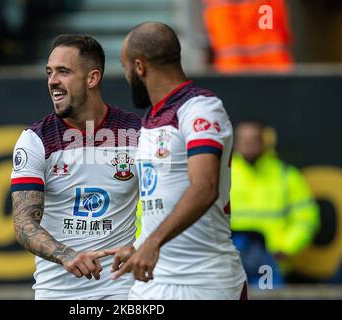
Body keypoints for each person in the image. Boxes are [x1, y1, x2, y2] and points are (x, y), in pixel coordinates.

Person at [104, 22, 247, 300]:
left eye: (125, 68)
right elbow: (162, 195)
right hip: (154, 278)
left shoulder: (200, 107)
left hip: (204, 282)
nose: (126, 77)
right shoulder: (151, 119)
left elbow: (205, 187)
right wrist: (141, 244)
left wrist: (153, 243)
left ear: (140, 67)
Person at [11, 34, 141, 300]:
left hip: (122, 289)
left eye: (63, 72)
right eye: (49, 72)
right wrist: (66, 255)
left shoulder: (138, 133)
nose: (52, 81)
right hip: (57, 291)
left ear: (92, 78)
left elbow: (165, 203)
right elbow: (23, 224)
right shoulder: (35, 140)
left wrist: (143, 246)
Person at [230, 120, 320, 284]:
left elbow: (306, 218)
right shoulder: (224, 173)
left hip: (271, 259)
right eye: (243, 140)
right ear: (235, 143)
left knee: (268, 295)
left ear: (265, 142)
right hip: (229, 259)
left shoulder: (286, 175)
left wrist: (286, 247)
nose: (248, 144)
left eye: (253, 139)